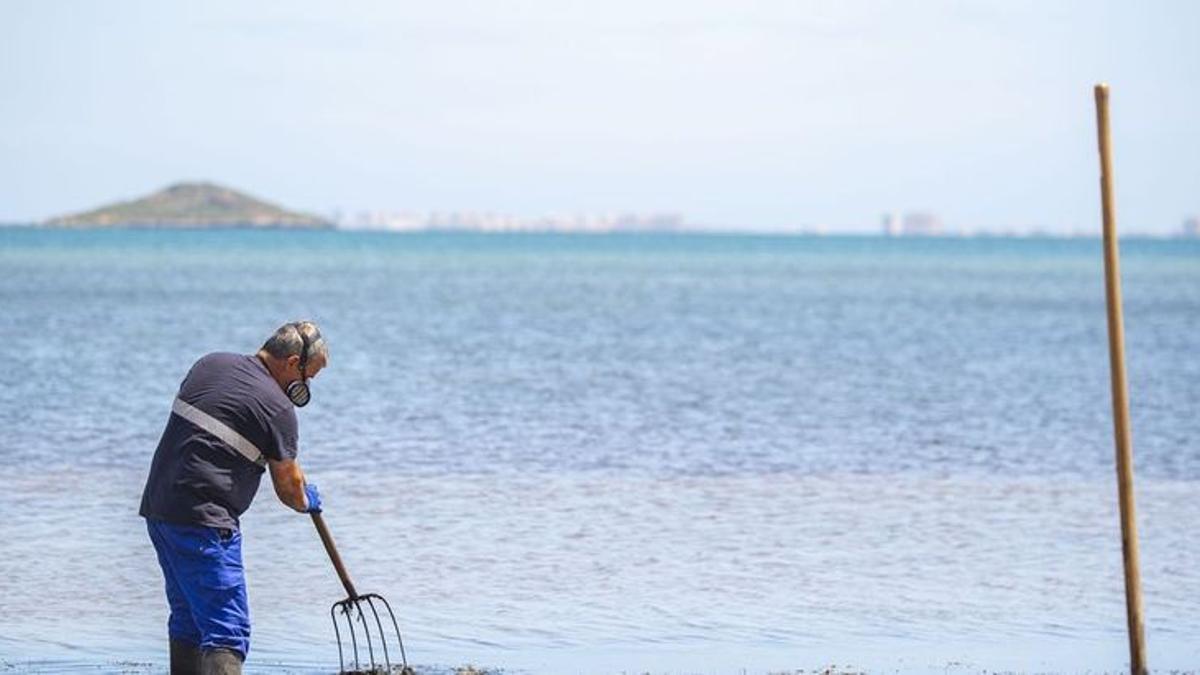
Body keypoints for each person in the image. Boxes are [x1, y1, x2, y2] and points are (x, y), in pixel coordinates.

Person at [140, 321, 328, 675]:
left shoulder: (211, 363)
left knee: (188, 620)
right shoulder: (278, 409)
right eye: (308, 377)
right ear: (291, 363)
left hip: (160, 509)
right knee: (228, 630)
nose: (305, 388)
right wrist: (306, 500)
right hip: (205, 523)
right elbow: (289, 490)